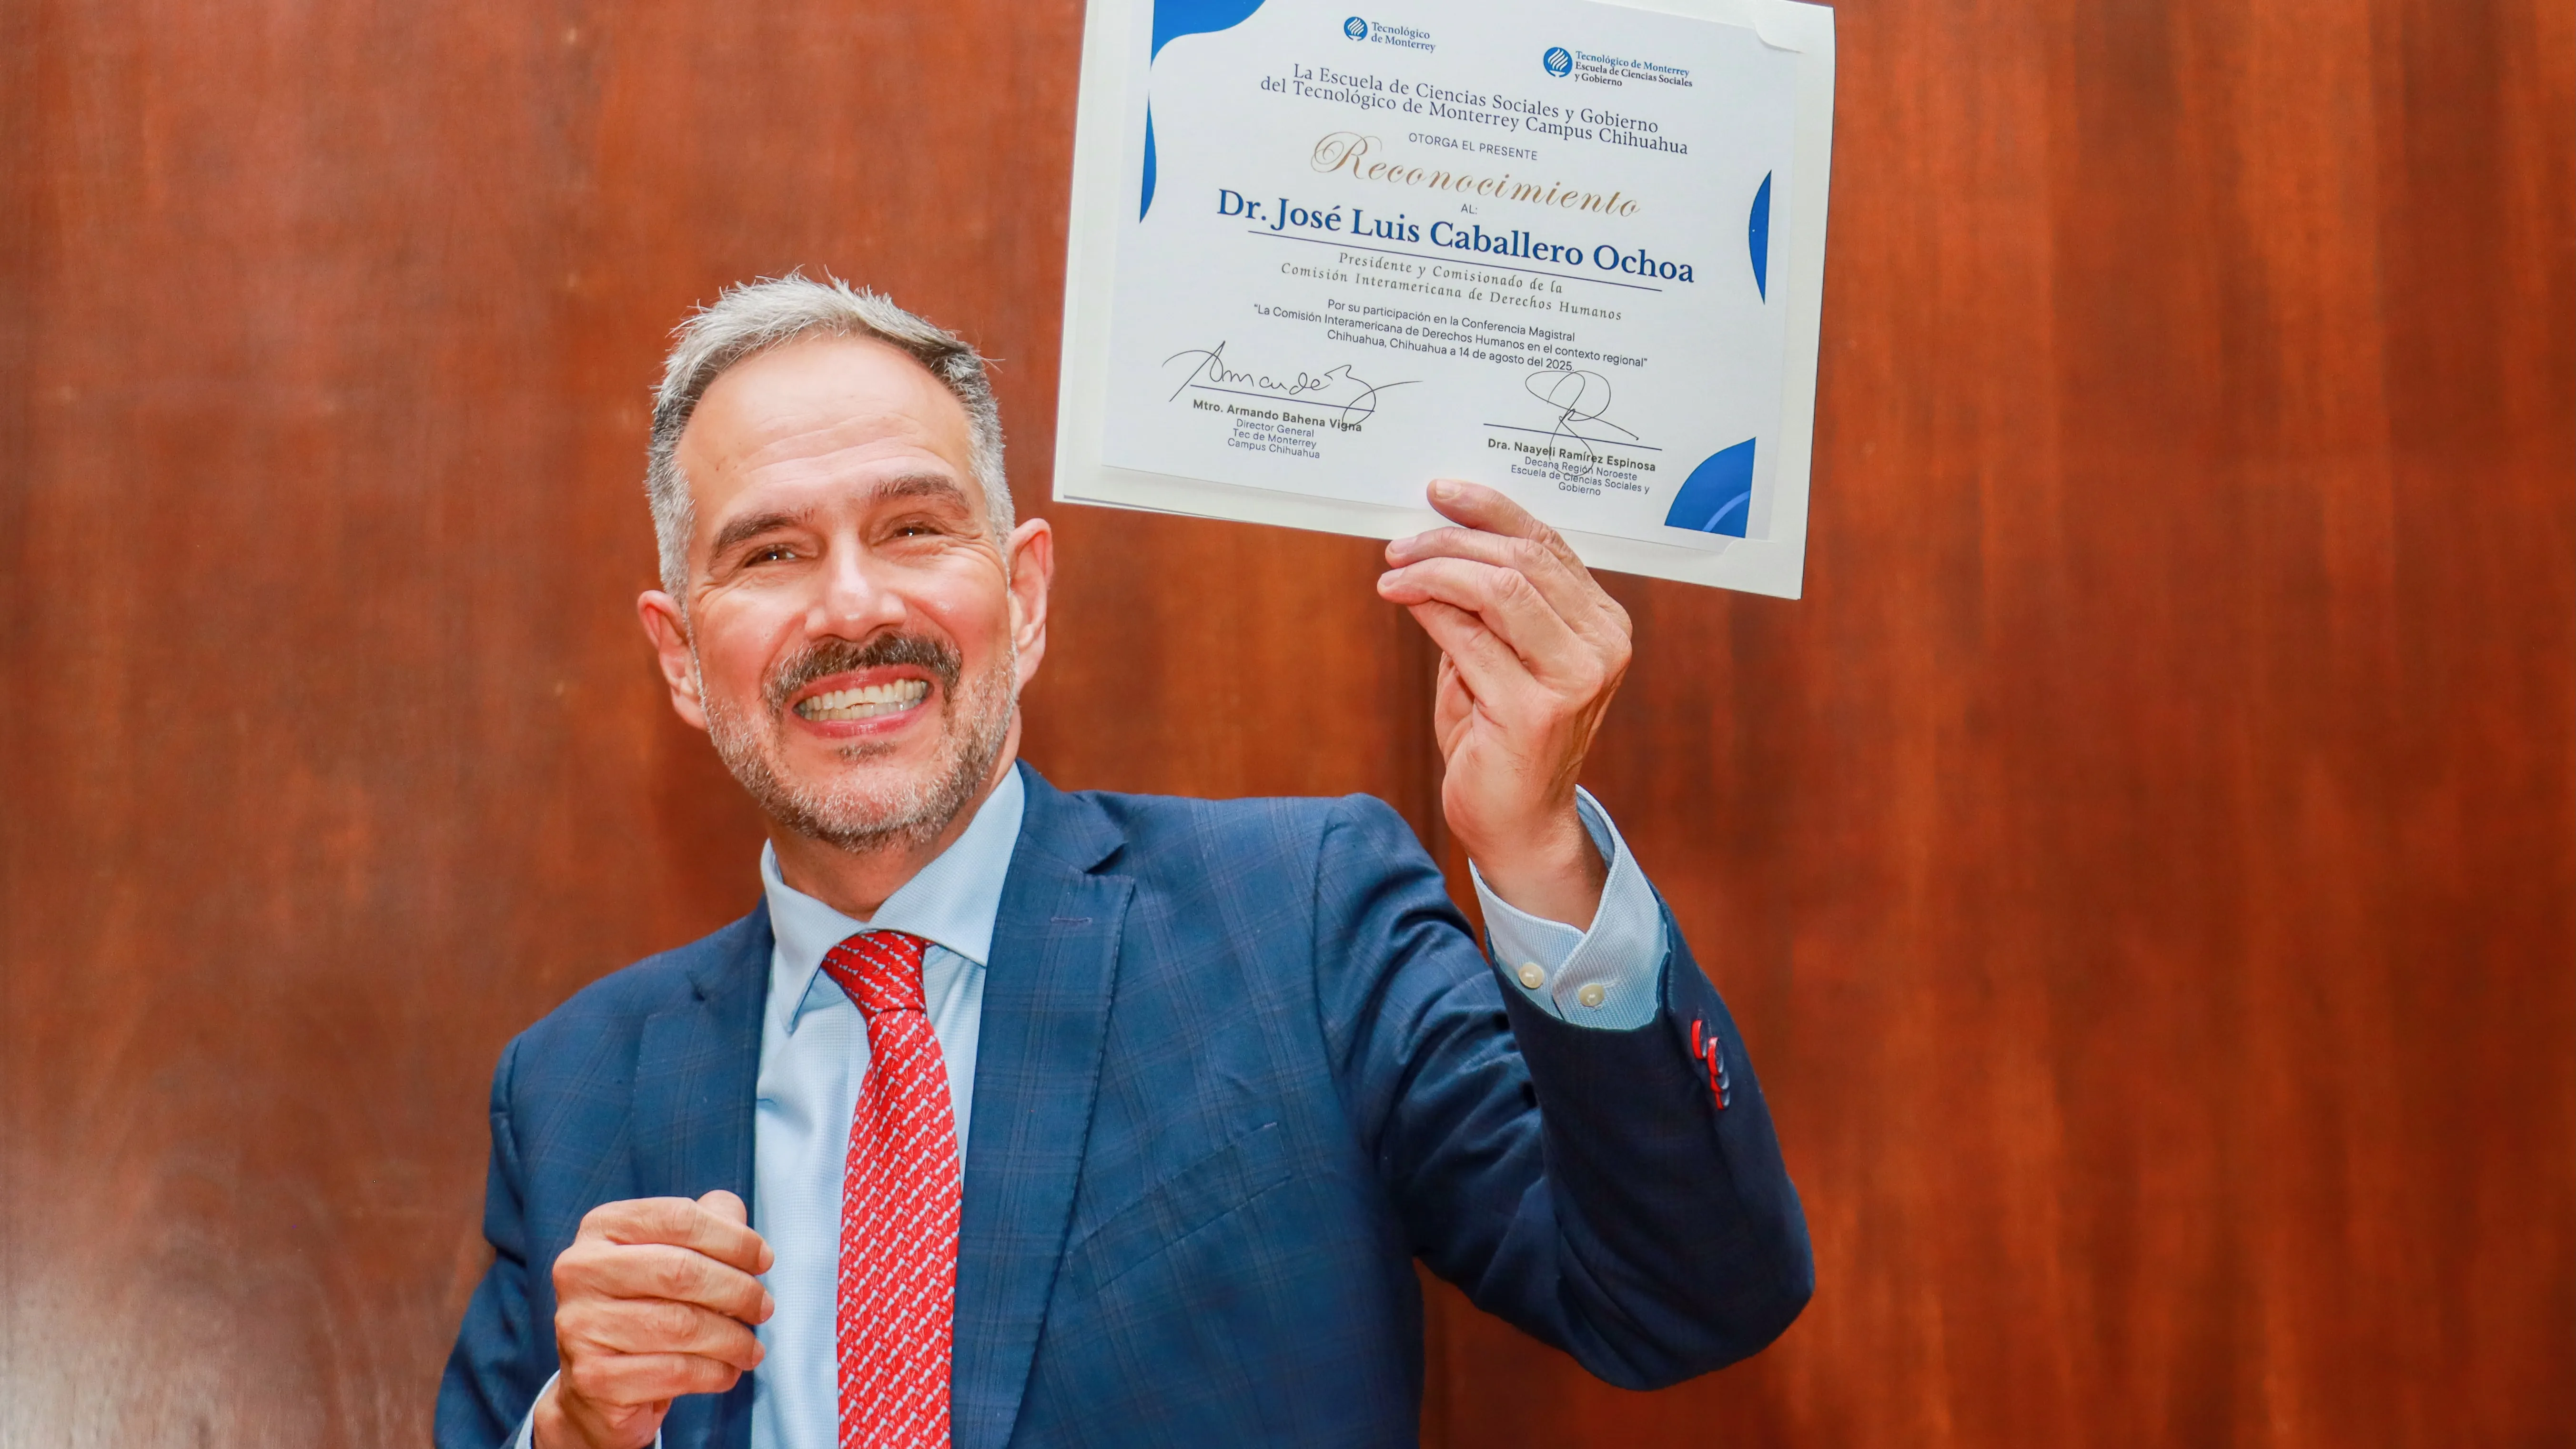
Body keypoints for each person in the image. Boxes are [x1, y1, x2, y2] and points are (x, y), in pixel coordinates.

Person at [435, 274, 1811, 1449]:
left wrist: (1534, 844)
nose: (853, 605)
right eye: (771, 554)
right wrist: (578, 1429)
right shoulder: (572, 1086)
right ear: (682, 658)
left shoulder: (1300, 920)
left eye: (914, 528)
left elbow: (1682, 1301)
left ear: (1024, 595)